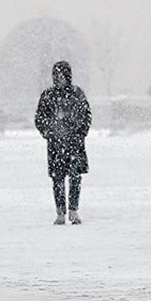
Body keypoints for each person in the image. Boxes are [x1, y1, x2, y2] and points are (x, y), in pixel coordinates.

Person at [34, 61, 92, 225]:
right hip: (56, 145)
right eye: (57, 75)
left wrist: (79, 133)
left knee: (75, 177)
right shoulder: (48, 95)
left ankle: (73, 210)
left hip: (74, 144)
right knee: (57, 179)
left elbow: (86, 115)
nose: (60, 79)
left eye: (63, 75)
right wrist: (50, 133)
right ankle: (60, 212)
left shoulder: (77, 94)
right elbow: (40, 118)